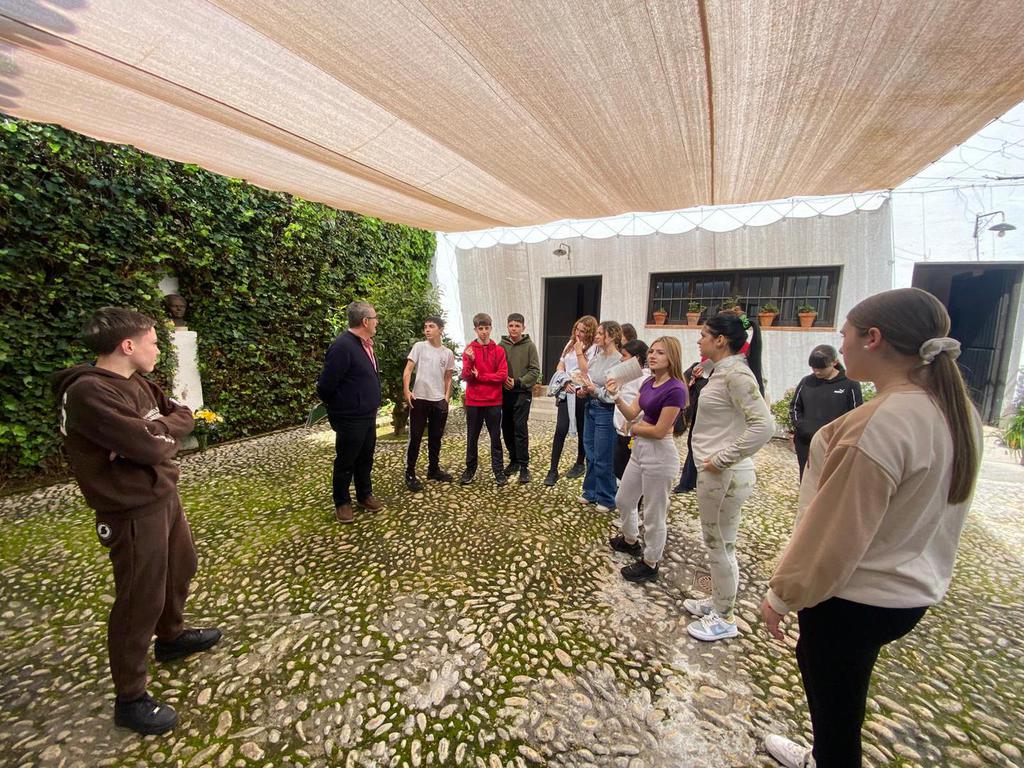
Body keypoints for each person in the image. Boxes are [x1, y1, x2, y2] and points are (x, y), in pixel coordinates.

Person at [760, 288, 981, 768]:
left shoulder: (879, 424)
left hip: (852, 598)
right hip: (908, 594)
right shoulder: (956, 410)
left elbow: (833, 534)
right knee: (845, 699)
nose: (841, 346)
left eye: (846, 335)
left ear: (873, 338)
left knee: (836, 715)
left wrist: (782, 594)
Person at [52, 307, 221, 735]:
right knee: (138, 598)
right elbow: (150, 447)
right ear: (128, 346)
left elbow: (182, 415)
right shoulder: (89, 392)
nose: (158, 350)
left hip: (163, 495)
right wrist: (157, 437)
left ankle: (171, 637)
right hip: (129, 508)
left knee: (181, 566)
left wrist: (157, 433)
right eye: (153, 342)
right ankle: (129, 698)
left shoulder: (140, 383)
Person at [685, 311, 773, 642]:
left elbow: (764, 426)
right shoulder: (721, 371)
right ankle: (718, 601)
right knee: (719, 544)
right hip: (717, 474)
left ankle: (724, 618)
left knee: (719, 545)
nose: (699, 340)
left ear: (720, 340)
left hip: (724, 475)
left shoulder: (737, 374)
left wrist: (721, 459)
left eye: (704, 335)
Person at [606, 337, 687, 582]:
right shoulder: (648, 382)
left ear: (672, 357)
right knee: (623, 499)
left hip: (660, 455)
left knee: (653, 513)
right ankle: (631, 540)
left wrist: (634, 428)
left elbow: (660, 431)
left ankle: (651, 562)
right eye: (651, 351)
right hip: (640, 450)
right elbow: (632, 412)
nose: (652, 356)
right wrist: (616, 396)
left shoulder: (676, 389)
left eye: (660, 352)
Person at [317, 301, 384, 524]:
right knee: (346, 460)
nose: (377, 322)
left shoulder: (365, 344)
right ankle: (342, 502)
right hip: (350, 417)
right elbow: (325, 386)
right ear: (365, 321)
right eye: (374, 318)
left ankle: (364, 495)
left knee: (365, 457)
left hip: (367, 414)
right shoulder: (342, 346)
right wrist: (343, 407)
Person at [790, 344, 863, 480]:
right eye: (814, 368)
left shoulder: (849, 383)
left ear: (834, 362)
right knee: (807, 480)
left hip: (834, 444)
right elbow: (795, 407)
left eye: (822, 368)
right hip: (806, 442)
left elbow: (857, 414)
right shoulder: (806, 382)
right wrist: (801, 426)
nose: (817, 372)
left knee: (831, 480)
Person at [403, 315, 455, 491]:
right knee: (415, 438)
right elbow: (408, 369)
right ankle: (410, 473)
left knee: (436, 438)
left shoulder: (447, 353)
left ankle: (433, 469)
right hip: (419, 399)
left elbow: (448, 377)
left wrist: (446, 398)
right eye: (425, 327)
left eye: (431, 326)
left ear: (440, 330)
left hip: (438, 400)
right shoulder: (419, 347)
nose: (427, 330)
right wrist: (406, 390)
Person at [545, 316, 598, 486]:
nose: (579, 333)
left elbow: (586, 370)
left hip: (582, 391)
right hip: (566, 390)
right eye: (577, 329)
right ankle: (553, 469)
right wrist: (565, 380)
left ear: (590, 332)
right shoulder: (569, 343)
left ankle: (579, 463)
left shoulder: (593, 348)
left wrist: (579, 351)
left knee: (583, 429)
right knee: (560, 428)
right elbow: (560, 365)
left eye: (583, 331)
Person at [579, 320, 623, 513]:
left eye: (599, 333)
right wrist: (584, 390)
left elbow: (613, 393)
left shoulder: (619, 361)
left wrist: (594, 390)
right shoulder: (596, 357)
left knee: (603, 454)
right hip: (590, 406)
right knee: (590, 451)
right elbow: (590, 380)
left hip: (606, 410)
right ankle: (590, 491)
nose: (596, 336)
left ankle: (607, 497)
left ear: (611, 336)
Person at [460, 313, 508, 486]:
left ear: (491, 328)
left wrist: (481, 376)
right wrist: (470, 361)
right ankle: (470, 469)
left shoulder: (499, 350)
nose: (484, 332)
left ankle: (498, 471)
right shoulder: (469, 350)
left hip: (494, 401)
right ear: (475, 329)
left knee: (495, 438)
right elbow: (466, 376)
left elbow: (502, 375)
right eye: (481, 329)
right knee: (472, 437)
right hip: (474, 401)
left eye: (487, 328)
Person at [499, 313, 541, 483]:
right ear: (507, 327)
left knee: (520, 429)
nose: (514, 329)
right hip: (504, 394)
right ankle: (514, 460)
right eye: (511, 325)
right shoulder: (501, 346)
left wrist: (518, 382)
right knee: (507, 428)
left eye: (517, 326)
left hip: (522, 393)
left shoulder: (530, 346)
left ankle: (524, 466)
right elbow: (496, 367)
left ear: (523, 327)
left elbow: (535, 370)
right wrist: (503, 381)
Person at [612, 339, 649, 480]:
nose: (621, 359)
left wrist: (631, 421)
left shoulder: (644, 379)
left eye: (624, 355)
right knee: (619, 470)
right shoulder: (627, 376)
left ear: (636, 358)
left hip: (632, 432)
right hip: (621, 431)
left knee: (628, 473)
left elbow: (643, 405)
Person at [673, 360, 709, 493]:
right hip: (698, 412)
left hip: (710, 416)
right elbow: (683, 379)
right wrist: (692, 375)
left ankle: (691, 480)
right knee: (693, 443)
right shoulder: (700, 366)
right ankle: (688, 481)